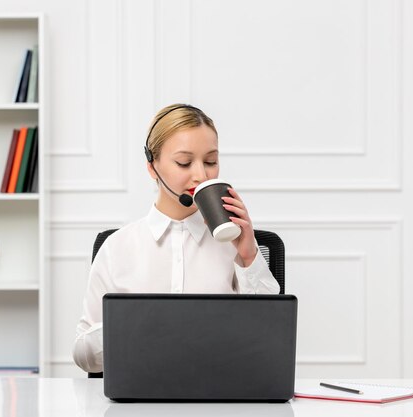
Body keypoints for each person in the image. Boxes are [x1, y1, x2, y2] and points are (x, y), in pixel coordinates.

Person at [72, 104, 280, 373]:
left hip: (220, 396)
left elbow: (270, 341)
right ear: (152, 167)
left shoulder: (234, 247)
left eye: (210, 161)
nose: (201, 175)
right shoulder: (117, 248)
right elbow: (82, 356)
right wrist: (130, 324)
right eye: (184, 162)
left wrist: (249, 255)